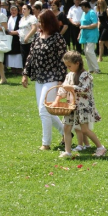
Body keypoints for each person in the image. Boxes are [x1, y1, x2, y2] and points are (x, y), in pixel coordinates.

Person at [22, 10, 66, 149]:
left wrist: (60, 81)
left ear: (48, 22)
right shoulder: (37, 36)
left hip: (52, 78)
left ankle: (45, 143)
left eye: (41, 21)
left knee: (43, 110)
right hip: (39, 78)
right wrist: (25, 74)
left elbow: (62, 61)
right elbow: (30, 56)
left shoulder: (58, 38)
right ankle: (66, 133)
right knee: (47, 110)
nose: (38, 24)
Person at [53, 51, 106, 158]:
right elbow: (63, 89)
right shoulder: (69, 75)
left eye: (69, 65)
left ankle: (101, 147)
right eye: (66, 66)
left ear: (77, 63)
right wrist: (56, 100)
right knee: (66, 129)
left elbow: (86, 89)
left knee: (85, 130)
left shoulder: (85, 75)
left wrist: (72, 87)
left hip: (83, 107)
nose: (68, 68)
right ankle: (67, 152)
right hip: (71, 107)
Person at [79, 0, 100, 73]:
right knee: (86, 52)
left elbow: (95, 24)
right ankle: (91, 69)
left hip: (92, 34)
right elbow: (81, 25)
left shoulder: (91, 13)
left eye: (82, 7)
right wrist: (80, 34)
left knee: (89, 51)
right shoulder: (83, 13)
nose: (81, 8)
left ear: (85, 6)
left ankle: (97, 68)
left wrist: (84, 27)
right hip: (85, 35)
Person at [5, 5, 23, 74]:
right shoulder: (8, 18)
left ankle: (18, 68)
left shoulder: (20, 18)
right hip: (9, 38)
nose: (13, 12)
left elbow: (21, 29)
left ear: (17, 11)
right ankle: (12, 68)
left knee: (17, 53)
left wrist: (13, 32)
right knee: (10, 53)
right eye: (12, 10)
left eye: (15, 10)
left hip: (17, 38)